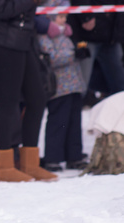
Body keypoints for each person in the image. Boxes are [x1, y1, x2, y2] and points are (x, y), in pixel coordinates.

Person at [0, 0, 58, 182]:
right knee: (7, 103)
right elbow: (1, 10)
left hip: (24, 40)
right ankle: (3, 167)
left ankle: (30, 164)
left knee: (37, 99)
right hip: (4, 41)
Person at [38, 4, 88, 172]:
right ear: (50, 18)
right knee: (58, 122)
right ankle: (53, 157)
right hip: (59, 87)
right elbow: (50, 58)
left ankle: (74, 155)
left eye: (65, 17)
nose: (63, 20)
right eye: (60, 17)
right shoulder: (45, 36)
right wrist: (74, 53)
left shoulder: (66, 34)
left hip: (73, 84)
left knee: (74, 122)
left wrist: (81, 50)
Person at [68, 0, 124, 102]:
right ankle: (75, 113)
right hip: (86, 37)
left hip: (111, 36)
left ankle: (121, 112)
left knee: (121, 83)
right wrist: (86, 17)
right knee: (81, 84)